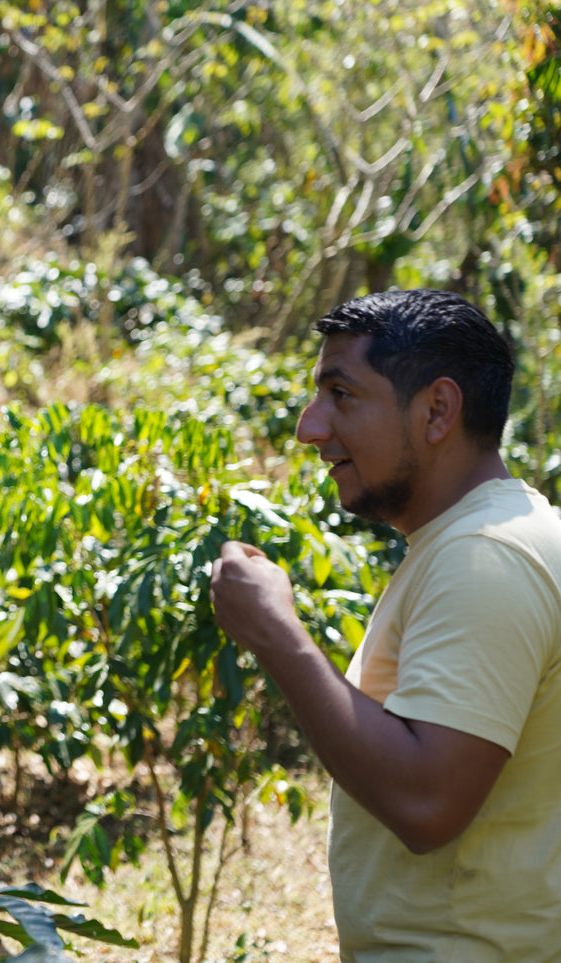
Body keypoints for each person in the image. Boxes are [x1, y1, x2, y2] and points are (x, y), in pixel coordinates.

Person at [210, 289, 561, 961]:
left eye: (340, 394)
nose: (308, 428)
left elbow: (427, 802)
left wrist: (274, 632)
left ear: (436, 410)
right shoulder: (503, 534)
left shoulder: (483, 555)